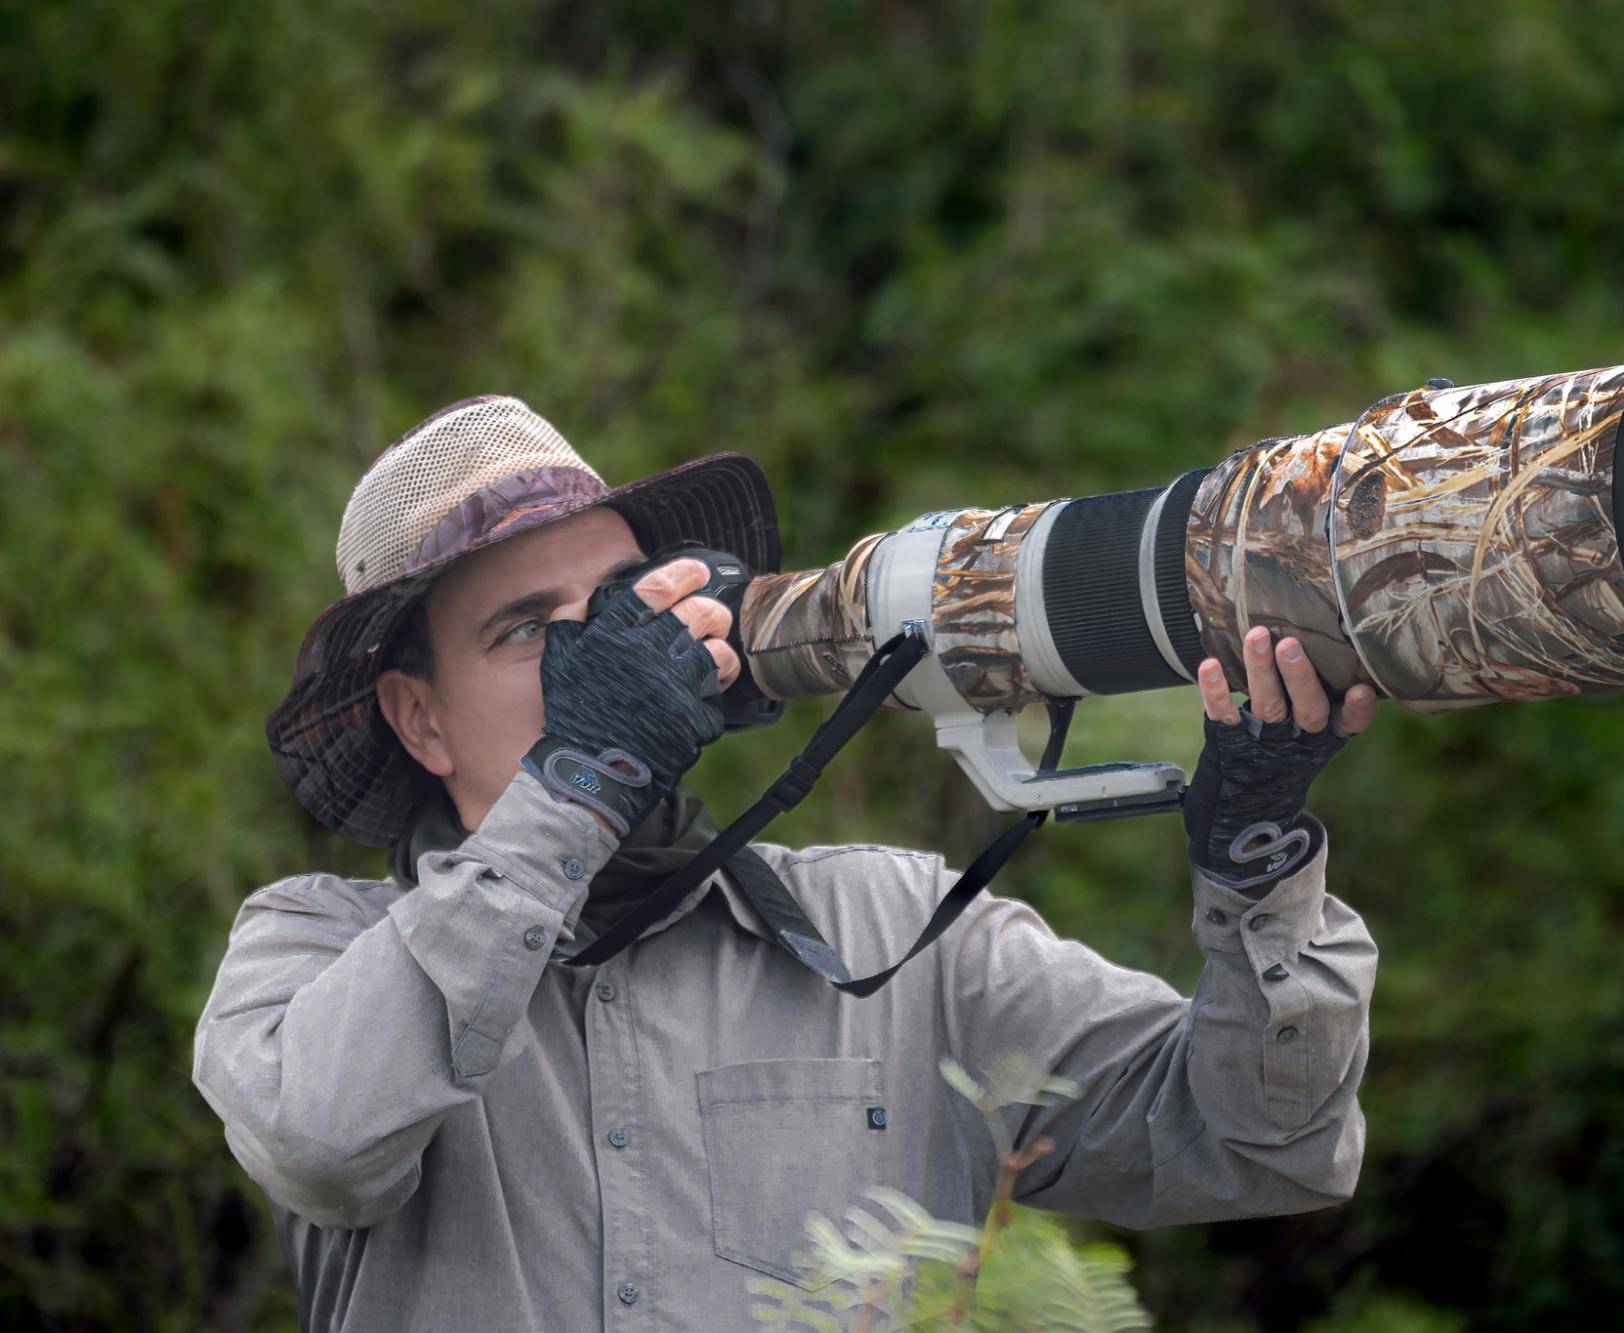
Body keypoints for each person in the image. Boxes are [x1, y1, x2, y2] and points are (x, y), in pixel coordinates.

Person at [191, 395, 1380, 1331]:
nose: (597, 650)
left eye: (614, 604)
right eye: (522, 629)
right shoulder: (312, 950)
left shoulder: (892, 927)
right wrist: (578, 784)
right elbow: (323, 1139)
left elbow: (1261, 1143)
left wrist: (1258, 864)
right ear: (420, 718)